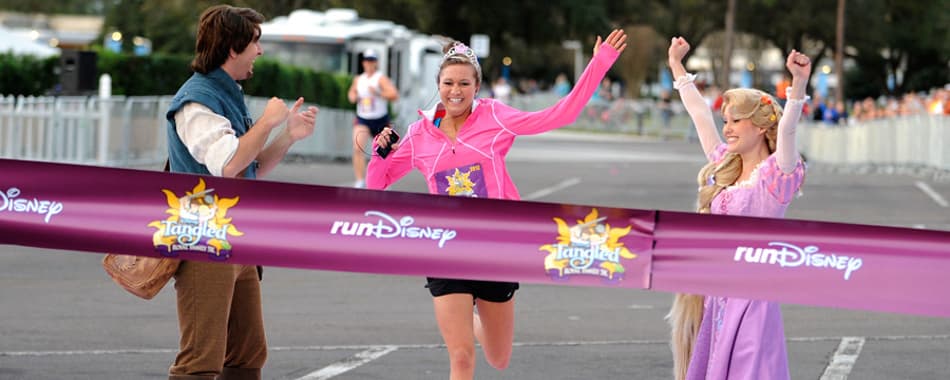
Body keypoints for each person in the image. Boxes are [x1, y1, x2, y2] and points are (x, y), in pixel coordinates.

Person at [367, 30, 627, 380]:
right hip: (445, 249)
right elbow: (376, 185)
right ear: (438, 85)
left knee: (499, 357)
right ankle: (460, 313)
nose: (455, 91)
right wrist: (380, 153)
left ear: (477, 86)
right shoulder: (419, 134)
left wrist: (599, 64)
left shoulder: (495, 117)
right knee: (461, 358)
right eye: (447, 83)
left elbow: (560, 115)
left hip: (496, 249)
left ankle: (471, 317)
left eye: (463, 84)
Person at [165, 5, 318, 379]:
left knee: (248, 353)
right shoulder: (197, 99)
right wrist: (267, 122)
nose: (260, 51)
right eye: (255, 42)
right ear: (233, 48)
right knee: (201, 359)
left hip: (233, 235)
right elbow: (229, 164)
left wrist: (286, 136)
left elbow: (249, 167)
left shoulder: (225, 91)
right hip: (203, 237)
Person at [665, 36, 811, 380]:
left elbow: (788, 130)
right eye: (726, 121)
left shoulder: (776, 176)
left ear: (760, 126)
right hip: (716, 294)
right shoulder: (723, 164)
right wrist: (676, 66)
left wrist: (798, 84)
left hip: (753, 299)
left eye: (734, 121)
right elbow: (700, 114)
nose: (726, 129)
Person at [348, 48, 399, 188]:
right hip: (363, 119)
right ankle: (359, 181)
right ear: (363, 62)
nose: (369, 63)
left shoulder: (380, 78)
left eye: (371, 60)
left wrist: (378, 93)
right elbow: (351, 93)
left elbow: (394, 95)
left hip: (380, 120)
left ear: (375, 62)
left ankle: (384, 181)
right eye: (366, 60)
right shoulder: (359, 79)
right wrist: (354, 97)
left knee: (385, 153)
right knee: (357, 147)